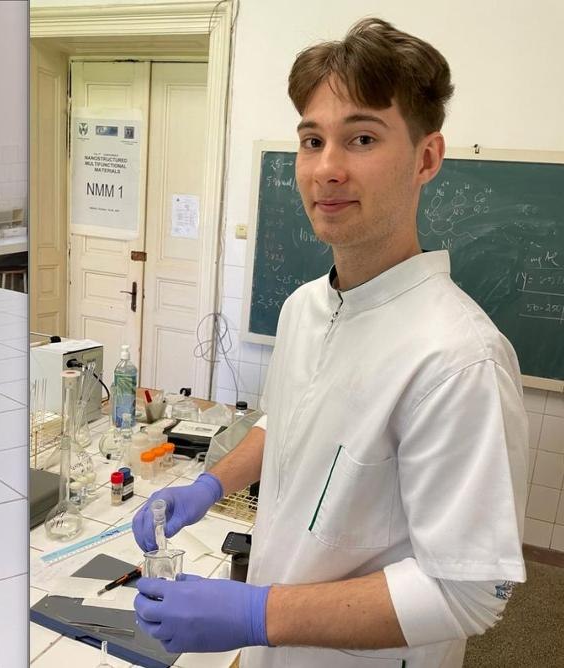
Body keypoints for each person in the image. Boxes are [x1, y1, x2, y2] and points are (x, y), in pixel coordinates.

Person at [132, 18, 527, 667]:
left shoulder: (459, 359)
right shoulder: (303, 309)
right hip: (275, 648)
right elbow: (290, 423)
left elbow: (470, 592)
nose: (326, 169)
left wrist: (256, 613)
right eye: (312, 140)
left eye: (362, 138)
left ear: (426, 158)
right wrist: (208, 485)